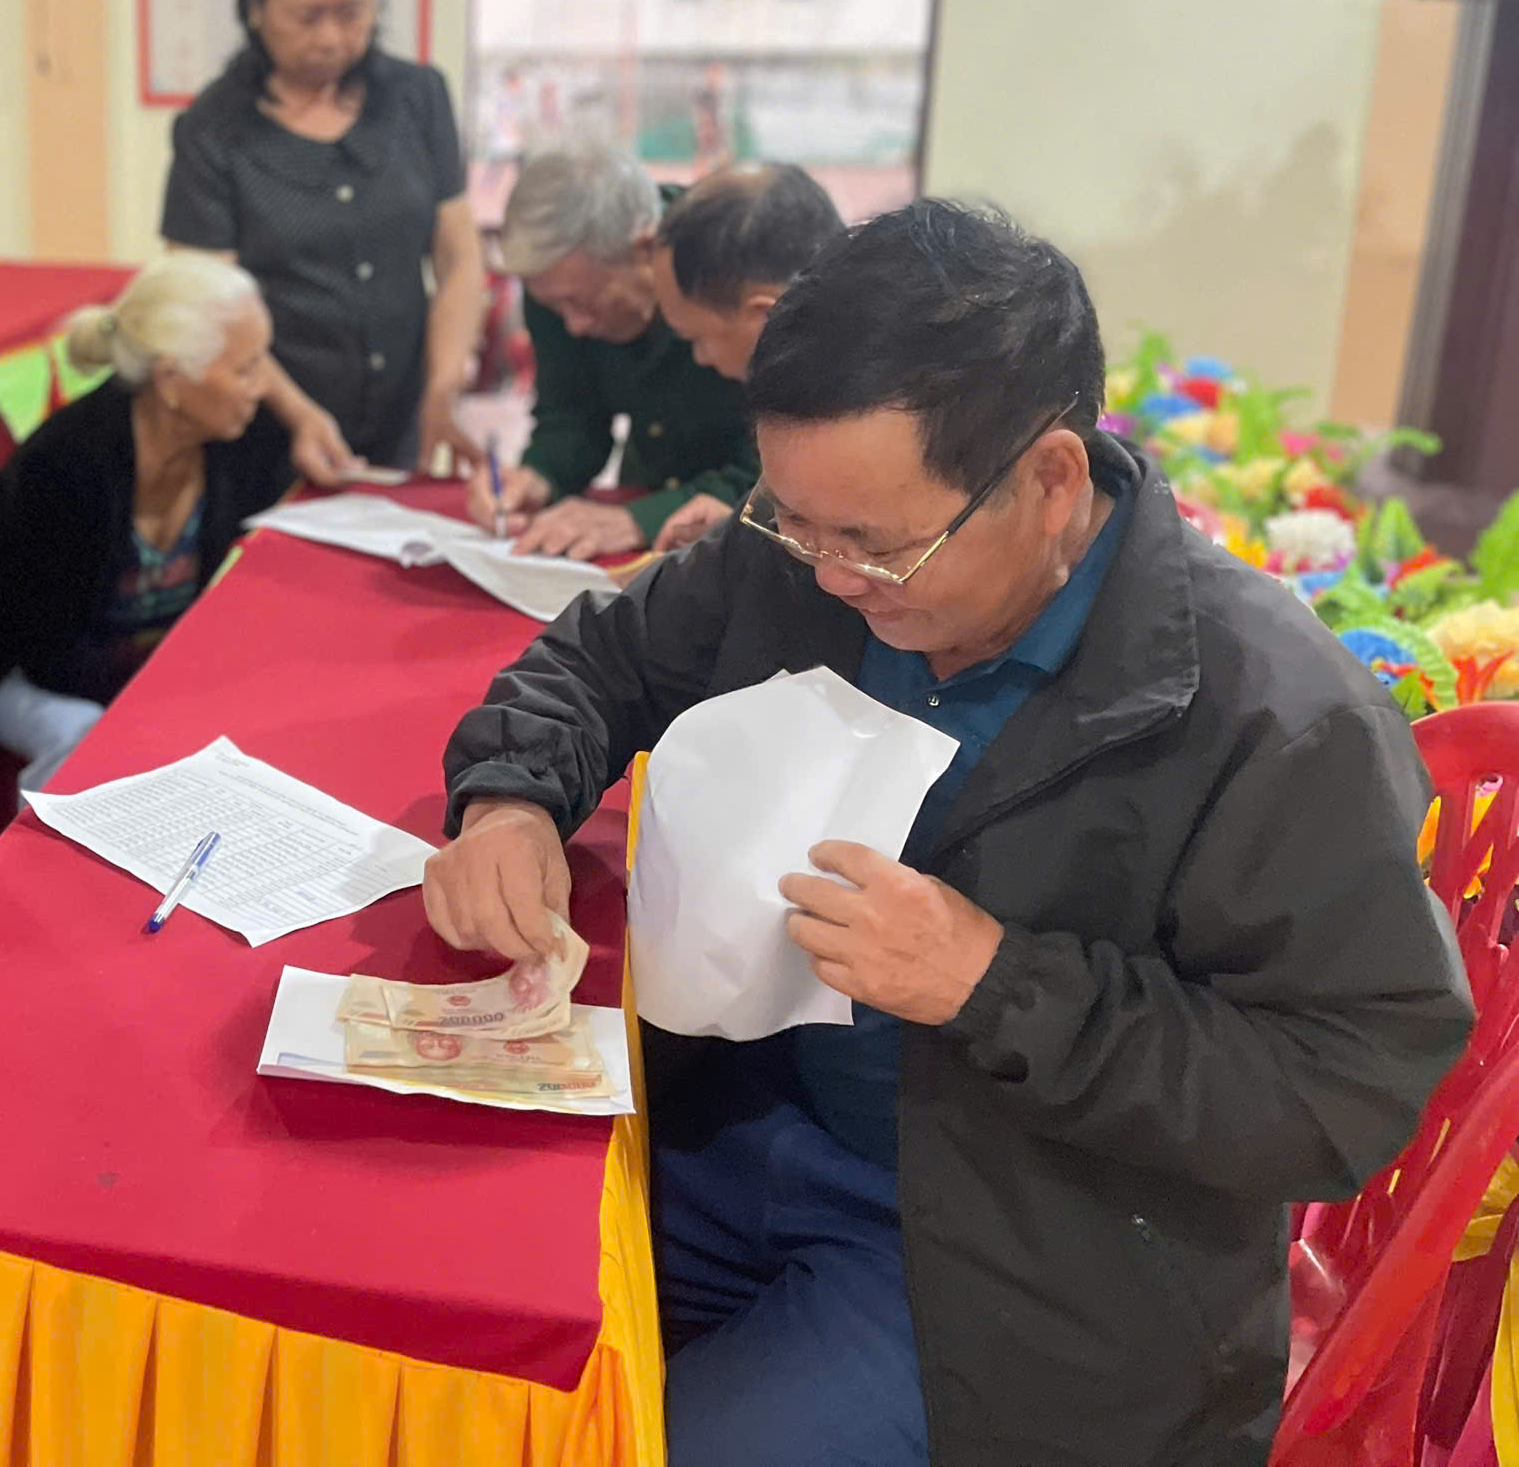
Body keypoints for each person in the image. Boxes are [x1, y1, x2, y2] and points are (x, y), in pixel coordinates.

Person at [425, 201, 1469, 1466]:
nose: (828, 576)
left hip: (1010, 1252)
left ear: (1051, 481)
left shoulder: (1271, 717)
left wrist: (993, 981)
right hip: (732, 1131)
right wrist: (511, 801)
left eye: (876, 547)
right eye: (792, 521)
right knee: (442, 1340)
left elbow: (1344, 1086)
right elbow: (600, 659)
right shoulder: (814, 548)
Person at [0, 254, 295, 796]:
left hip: (115, 664)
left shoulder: (242, 436)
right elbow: (49, 653)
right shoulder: (69, 466)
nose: (262, 387)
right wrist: (168, 696)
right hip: (0, 664)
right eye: (245, 369)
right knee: (88, 744)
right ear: (171, 379)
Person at [161, 0, 484, 480]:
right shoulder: (213, 129)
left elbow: (459, 258)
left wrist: (442, 387)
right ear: (256, 5)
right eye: (307, 17)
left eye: (352, 13)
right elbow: (208, 303)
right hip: (266, 428)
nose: (332, 38)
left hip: (402, 418)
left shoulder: (418, 99)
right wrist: (299, 414)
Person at [463, 144, 754, 560]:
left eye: (583, 303)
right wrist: (539, 476)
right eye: (556, 308)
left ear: (646, 248)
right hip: (645, 500)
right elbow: (571, 414)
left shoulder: (739, 272)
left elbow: (783, 474)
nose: (574, 327)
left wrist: (638, 520)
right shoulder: (556, 284)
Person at [645, 159, 845, 551]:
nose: (699, 358)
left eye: (697, 337)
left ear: (764, 316)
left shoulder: (867, 404)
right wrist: (748, 524)